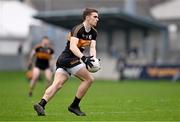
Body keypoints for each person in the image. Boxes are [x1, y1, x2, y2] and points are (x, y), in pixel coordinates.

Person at [33, 8, 99, 116]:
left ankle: (41, 104)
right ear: (87, 17)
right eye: (95, 16)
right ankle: (74, 106)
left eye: (97, 17)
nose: (97, 19)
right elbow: (73, 47)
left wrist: (93, 59)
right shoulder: (78, 29)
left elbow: (92, 47)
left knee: (57, 84)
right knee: (89, 79)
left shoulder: (94, 32)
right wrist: (84, 58)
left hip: (66, 60)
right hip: (68, 59)